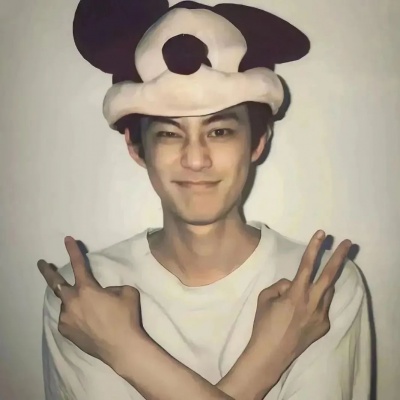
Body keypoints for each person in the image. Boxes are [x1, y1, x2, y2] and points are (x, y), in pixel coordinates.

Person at [38, 1, 371, 399]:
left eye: (219, 132)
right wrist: (268, 359)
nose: (195, 159)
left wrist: (123, 350)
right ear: (136, 147)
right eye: (169, 134)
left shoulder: (321, 290)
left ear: (258, 141)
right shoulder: (83, 299)